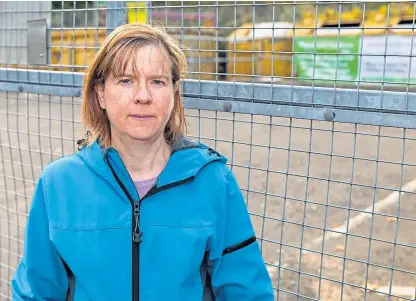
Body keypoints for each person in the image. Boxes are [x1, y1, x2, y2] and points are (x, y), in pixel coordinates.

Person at [11, 23, 274, 301]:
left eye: (157, 81)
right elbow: (35, 293)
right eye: (126, 80)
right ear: (100, 93)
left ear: (174, 93)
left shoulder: (213, 181)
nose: (143, 96)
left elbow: (247, 291)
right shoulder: (59, 184)